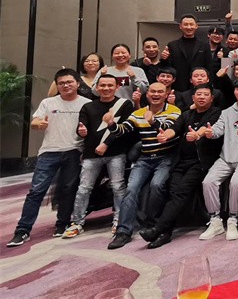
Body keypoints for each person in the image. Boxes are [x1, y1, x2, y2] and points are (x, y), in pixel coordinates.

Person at [8, 69, 92, 248]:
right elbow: (35, 122)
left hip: (74, 151)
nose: (65, 85)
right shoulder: (48, 102)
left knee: (67, 190)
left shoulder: (87, 104)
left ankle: (62, 224)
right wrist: (39, 124)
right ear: (57, 85)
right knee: (36, 191)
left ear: (78, 83)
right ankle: (22, 230)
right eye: (61, 83)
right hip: (49, 152)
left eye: (69, 82)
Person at [139, 83, 223, 248]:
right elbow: (174, 129)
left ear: (212, 98)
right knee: (172, 192)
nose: (202, 97)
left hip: (200, 163)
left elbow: (206, 129)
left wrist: (197, 135)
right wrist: (165, 135)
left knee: (180, 192)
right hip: (181, 161)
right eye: (199, 94)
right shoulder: (186, 114)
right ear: (193, 98)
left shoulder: (216, 113)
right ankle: (165, 233)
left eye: (206, 94)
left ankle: (158, 229)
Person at [107, 82, 182, 249]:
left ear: (166, 94)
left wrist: (153, 121)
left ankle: (154, 226)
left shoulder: (174, 110)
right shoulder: (138, 113)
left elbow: (167, 130)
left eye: (160, 92)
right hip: (145, 158)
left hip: (166, 157)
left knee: (157, 185)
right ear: (147, 95)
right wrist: (111, 124)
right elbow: (122, 130)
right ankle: (123, 232)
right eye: (152, 91)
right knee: (131, 189)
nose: (156, 94)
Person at [62, 74, 135, 239]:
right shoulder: (88, 106)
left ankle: (119, 220)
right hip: (91, 154)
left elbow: (125, 130)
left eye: (110, 85)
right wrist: (82, 131)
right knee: (84, 188)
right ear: (97, 87)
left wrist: (106, 144)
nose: (106, 88)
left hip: (116, 153)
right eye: (102, 85)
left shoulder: (125, 104)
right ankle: (77, 222)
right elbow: (82, 128)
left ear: (117, 87)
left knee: (118, 187)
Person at [198, 79, 238, 241]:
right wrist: (210, 133)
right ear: (234, 92)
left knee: (236, 183)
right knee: (208, 182)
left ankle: (233, 219)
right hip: (225, 158)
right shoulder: (226, 112)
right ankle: (215, 221)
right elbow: (218, 129)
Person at [162, 14, 215, 92]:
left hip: (199, 87)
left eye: (191, 24)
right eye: (186, 24)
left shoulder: (204, 46)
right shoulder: (172, 45)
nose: (189, 27)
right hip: (178, 86)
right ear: (180, 26)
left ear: (196, 26)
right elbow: (168, 67)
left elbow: (209, 67)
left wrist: (209, 85)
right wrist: (164, 59)